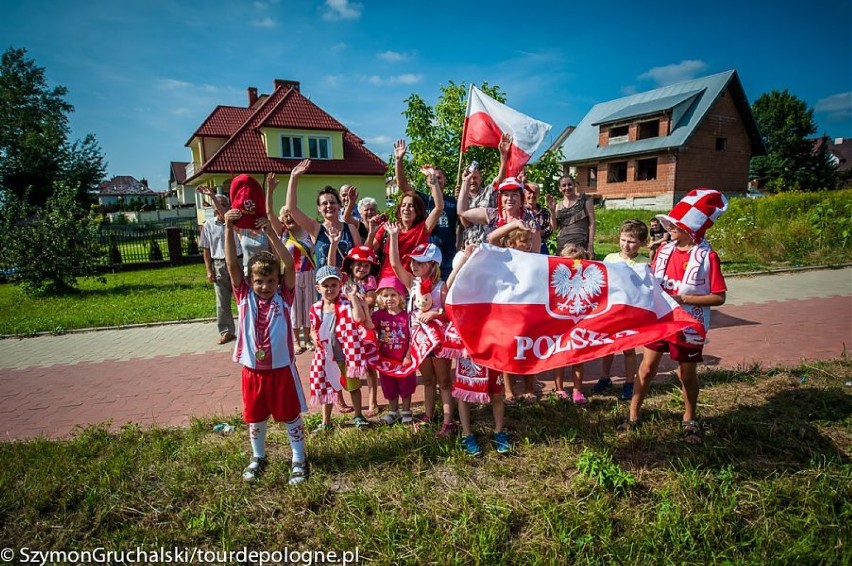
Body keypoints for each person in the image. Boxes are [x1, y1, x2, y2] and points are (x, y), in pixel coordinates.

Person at [623, 189, 729, 444]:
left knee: (686, 374)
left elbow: (719, 297)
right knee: (647, 368)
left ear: (691, 229)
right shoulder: (664, 250)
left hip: (687, 323)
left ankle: (690, 417)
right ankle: (633, 415)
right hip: (660, 320)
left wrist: (684, 299)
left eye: (675, 225)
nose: (668, 228)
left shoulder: (707, 256)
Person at [222, 207, 309, 484]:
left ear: (278, 281)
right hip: (253, 371)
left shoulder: (285, 295)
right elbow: (231, 265)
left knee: (290, 416)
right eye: (259, 281)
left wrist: (270, 232)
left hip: (281, 369)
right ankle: (258, 456)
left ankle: (298, 459)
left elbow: (288, 263)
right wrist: (227, 228)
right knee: (255, 418)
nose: (265, 286)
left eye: (270, 280)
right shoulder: (243, 294)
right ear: (250, 281)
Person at [386, 226, 455, 434]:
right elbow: (395, 265)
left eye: (420, 262)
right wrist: (394, 237)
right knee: (428, 380)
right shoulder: (412, 284)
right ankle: (428, 415)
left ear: (433, 264)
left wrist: (434, 314)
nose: (414, 265)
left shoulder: (441, 286)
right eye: (414, 261)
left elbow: (450, 314)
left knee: (443, 381)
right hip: (419, 341)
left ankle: (448, 421)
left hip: (438, 341)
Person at [446, 244, 511, 456]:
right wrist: (464, 258)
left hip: (491, 346)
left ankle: (500, 432)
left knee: (497, 392)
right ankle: (467, 434)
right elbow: (447, 285)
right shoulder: (460, 288)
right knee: (464, 393)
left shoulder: (493, 285)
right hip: (468, 347)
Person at [308, 265, 372, 432]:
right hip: (326, 357)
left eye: (334, 285)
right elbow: (312, 329)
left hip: (347, 356)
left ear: (340, 286)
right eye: (326, 285)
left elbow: (359, 319)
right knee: (328, 389)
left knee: (353, 386)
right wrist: (314, 337)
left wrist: (353, 298)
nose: (330, 289)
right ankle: (326, 421)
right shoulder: (316, 307)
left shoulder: (346, 303)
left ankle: (358, 415)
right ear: (318, 288)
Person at [592, 219, 650, 400]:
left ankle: (629, 382)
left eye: (632, 241)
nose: (626, 245)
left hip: (630, 314)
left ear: (641, 243)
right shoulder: (610, 259)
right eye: (623, 240)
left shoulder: (644, 263)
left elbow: (647, 289)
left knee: (628, 349)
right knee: (608, 348)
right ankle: (604, 377)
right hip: (611, 312)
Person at [368, 150, 444, 280]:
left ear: (417, 210)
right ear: (398, 209)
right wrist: (371, 232)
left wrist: (433, 180)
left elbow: (438, 208)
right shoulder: (388, 228)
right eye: (403, 205)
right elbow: (368, 252)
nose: (406, 209)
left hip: (412, 283)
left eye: (411, 205)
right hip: (388, 284)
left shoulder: (422, 228)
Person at [486, 221, 539, 405]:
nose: (529, 244)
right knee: (508, 351)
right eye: (524, 240)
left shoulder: (533, 258)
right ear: (510, 243)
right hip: (507, 312)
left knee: (529, 349)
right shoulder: (503, 257)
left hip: (528, 310)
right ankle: (509, 391)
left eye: (530, 240)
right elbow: (491, 238)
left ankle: (529, 389)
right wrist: (515, 224)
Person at [392, 139, 458, 279]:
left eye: (439, 177)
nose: (436, 180)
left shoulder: (453, 202)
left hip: (448, 257)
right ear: (428, 181)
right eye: (433, 177)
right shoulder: (422, 200)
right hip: (426, 259)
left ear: (445, 180)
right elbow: (402, 185)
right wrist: (398, 160)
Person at [265, 173, 316, 354]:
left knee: (308, 306)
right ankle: (296, 340)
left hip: (309, 274)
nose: (289, 219)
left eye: (291, 215)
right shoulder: (283, 233)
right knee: (294, 308)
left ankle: (308, 337)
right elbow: (269, 213)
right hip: (290, 275)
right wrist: (270, 191)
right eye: (285, 217)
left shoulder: (307, 231)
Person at [285, 159, 362, 271]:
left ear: (339, 205)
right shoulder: (316, 228)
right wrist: (293, 177)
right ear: (319, 208)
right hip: (325, 286)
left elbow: (360, 257)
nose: (329, 206)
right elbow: (291, 209)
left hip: (348, 285)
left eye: (332, 202)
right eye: (324, 203)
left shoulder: (350, 229)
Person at [368, 276, 417, 425]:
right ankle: (393, 411)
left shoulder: (407, 316)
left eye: (393, 294)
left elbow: (412, 338)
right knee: (389, 387)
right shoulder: (379, 315)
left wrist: (408, 356)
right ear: (380, 298)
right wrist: (363, 306)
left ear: (401, 297)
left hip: (404, 360)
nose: (389, 299)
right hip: (385, 361)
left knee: (406, 386)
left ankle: (406, 410)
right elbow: (369, 327)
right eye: (385, 295)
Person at [458, 176, 542, 253]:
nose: (510, 198)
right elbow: (462, 212)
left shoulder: (530, 220)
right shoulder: (493, 214)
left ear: (521, 198)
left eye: (514, 195)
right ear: (500, 198)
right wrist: (465, 182)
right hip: (493, 265)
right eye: (506, 195)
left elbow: (535, 254)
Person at [198, 194, 240, 345]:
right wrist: (209, 270)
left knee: (242, 298)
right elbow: (206, 249)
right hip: (219, 264)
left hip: (237, 263)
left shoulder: (237, 223)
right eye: (216, 204)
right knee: (222, 301)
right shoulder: (208, 225)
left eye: (223, 204)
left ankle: (246, 329)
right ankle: (227, 332)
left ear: (229, 206)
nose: (219, 207)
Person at [552, 243, 591, 405]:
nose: (574, 265)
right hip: (561, 322)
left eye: (577, 262)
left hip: (579, 322)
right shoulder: (557, 278)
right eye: (570, 262)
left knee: (578, 359)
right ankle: (559, 389)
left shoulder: (586, 278)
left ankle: (577, 390)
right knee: (560, 358)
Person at [458, 133, 511, 247]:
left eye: (475, 178)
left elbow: (500, 178)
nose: (472, 181)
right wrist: (464, 183)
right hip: (471, 247)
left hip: (489, 246)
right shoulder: (462, 199)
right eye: (470, 178)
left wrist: (503, 156)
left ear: (481, 178)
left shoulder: (488, 192)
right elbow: (466, 222)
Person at [547, 175, 596, 258]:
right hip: (563, 248)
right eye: (564, 185)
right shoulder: (558, 206)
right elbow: (554, 228)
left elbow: (592, 223)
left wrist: (590, 245)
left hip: (580, 246)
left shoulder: (585, 200)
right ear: (559, 188)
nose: (567, 188)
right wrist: (552, 210)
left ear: (574, 185)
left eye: (569, 184)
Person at [521, 178, 553, 255]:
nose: (532, 195)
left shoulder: (544, 212)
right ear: (524, 194)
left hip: (542, 247)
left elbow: (550, 229)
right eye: (529, 192)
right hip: (523, 247)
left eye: (535, 193)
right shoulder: (520, 211)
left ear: (538, 195)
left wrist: (537, 233)